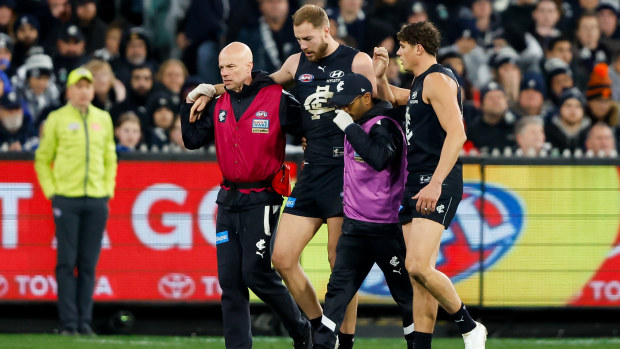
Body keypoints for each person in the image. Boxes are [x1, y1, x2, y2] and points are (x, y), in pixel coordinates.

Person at [188, 5, 377, 347]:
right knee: (283, 258)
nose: (303, 45)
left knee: (340, 263)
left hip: (346, 171)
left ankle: (343, 342)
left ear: (326, 29)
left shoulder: (357, 61)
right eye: (298, 39)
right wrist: (213, 89)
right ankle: (321, 330)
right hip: (312, 170)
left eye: (308, 38)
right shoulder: (295, 64)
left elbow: (374, 109)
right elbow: (253, 84)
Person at [181, 42, 311, 349]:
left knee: (255, 274)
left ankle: (300, 328)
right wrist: (189, 101)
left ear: (248, 67)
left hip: (262, 198)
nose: (224, 73)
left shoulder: (278, 99)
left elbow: (309, 127)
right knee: (230, 283)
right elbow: (191, 140)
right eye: (221, 68)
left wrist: (312, 146)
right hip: (228, 199)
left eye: (231, 67)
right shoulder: (218, 102)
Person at [373, 21, 487, 349]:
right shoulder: (423, 82)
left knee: (417, 265)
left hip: (434, 181)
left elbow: (458, 133)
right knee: (419, 277)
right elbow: (392, 97)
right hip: (416, 180)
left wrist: (436, 183)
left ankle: (469, 326)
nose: (399, 53)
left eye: (403, 48)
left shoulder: (437, 79)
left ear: (418, 47)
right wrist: (380, 75)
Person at [311, 73, 414, 349]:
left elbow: (380, 158)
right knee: (335, 297)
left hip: (386, 229)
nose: (342, 109)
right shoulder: (358, 122)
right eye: (340, 104)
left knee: (406, 298)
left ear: (367, 98)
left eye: (348, 103)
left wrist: (349, 128)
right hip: (354, 229)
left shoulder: (386, 124)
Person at [34, 67, 117, 335]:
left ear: (93, 91)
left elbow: (110, 158)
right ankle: (69, 323)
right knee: (67, 262)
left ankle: (84, 322)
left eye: (87, 87)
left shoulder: (103, 118)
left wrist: (107, 190)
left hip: (96, 199)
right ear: (69, 91)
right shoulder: (56, 119)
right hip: (66, 199)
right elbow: (42, 159)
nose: (83, 91)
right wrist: (52, 192)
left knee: (88, 264)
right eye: (78, 86)